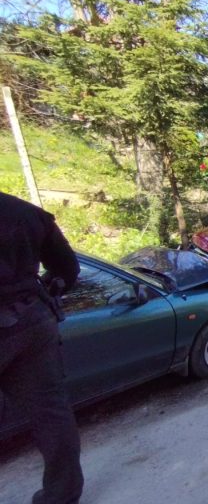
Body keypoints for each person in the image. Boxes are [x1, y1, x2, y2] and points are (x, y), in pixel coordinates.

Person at [0, 192, 83, 504]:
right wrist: (42, 292)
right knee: (51, 411)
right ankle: (62, 495)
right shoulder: (27, 213)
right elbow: (68, 270)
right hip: (31, 322)